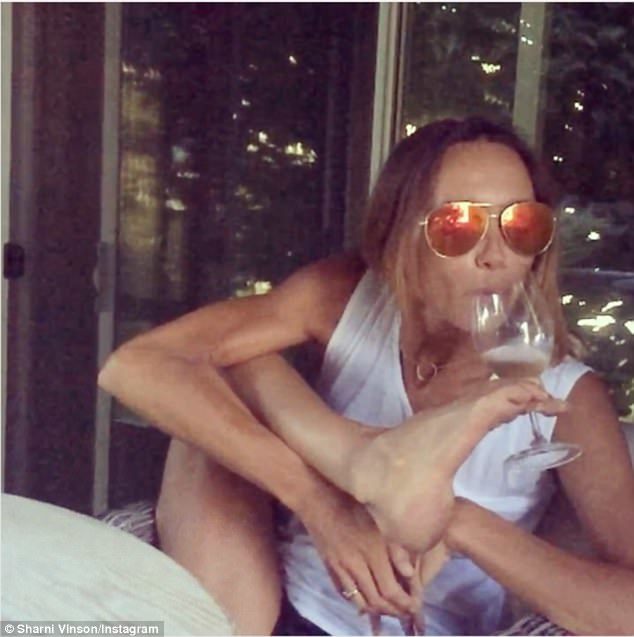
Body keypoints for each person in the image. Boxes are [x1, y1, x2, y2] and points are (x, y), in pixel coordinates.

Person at [98, 116, 634, 636]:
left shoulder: (567, 397)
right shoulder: (348, 297)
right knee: (214, 398)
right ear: (400, 232)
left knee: (241, 363)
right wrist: (321, 504)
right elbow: (135, 366)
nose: (497, 256)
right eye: (459, 225)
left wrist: (457, 523)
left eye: (521, 226)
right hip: (264, 601)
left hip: (405, 626)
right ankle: (354, 456)